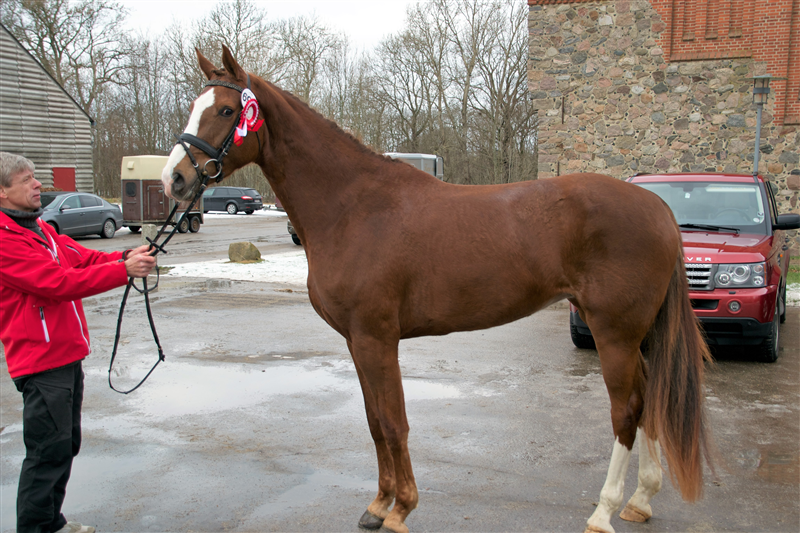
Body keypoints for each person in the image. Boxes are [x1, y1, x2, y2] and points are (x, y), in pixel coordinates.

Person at [0, 152, 157, 533]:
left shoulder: (41, 229)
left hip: (66, 355)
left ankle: (51, 522)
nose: (38, 184)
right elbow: (56, 284)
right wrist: (123, 272)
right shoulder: (6, 241)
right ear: (3, 192)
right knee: (45, 453)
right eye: (26, 180)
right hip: (40, 362)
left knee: (64, 446)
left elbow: (81, 260)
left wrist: (124, 255)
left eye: (34, 177)